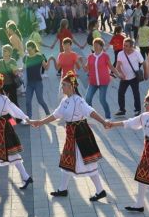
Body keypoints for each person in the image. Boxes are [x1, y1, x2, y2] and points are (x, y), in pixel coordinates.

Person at [30, 70, 109, 201]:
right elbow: (56, 114)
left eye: (64, 85)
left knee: (88, 163)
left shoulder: (79, 101)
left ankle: (100, 191)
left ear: (72, 86)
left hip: (81, 134)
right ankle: (62, 189)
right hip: (71, 134)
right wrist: (41, 122)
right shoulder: (65, 100)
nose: (62, 87)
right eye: (62, 85)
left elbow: (91, 112)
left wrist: (103, 122)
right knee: (67, 160)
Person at [114, 36, 143, 116]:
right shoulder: (120, 53)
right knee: (120, 93)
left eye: (126, 46)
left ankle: (137, 109)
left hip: (134, 77)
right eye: (123, 45)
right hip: (124, 78)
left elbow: (143, 62)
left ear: (131, 46)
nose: (124, 47)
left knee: (136, 93)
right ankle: (122, 109)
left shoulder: (136, 53)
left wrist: (146, 73)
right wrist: (121, 74)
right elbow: (118, 66)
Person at [84, 37, 112, 116]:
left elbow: (111, 67)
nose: (95, 46)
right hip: (93, 82)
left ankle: (108, 115)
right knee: (88, 98)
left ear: (101, 46)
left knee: (102, 100)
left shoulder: (105, 56)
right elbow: (86, 69)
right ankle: (92, 114)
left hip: (103, 82)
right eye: (94, 45)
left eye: (97, 45)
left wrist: (118, 74)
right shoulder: (90, 57)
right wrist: (81, 62)